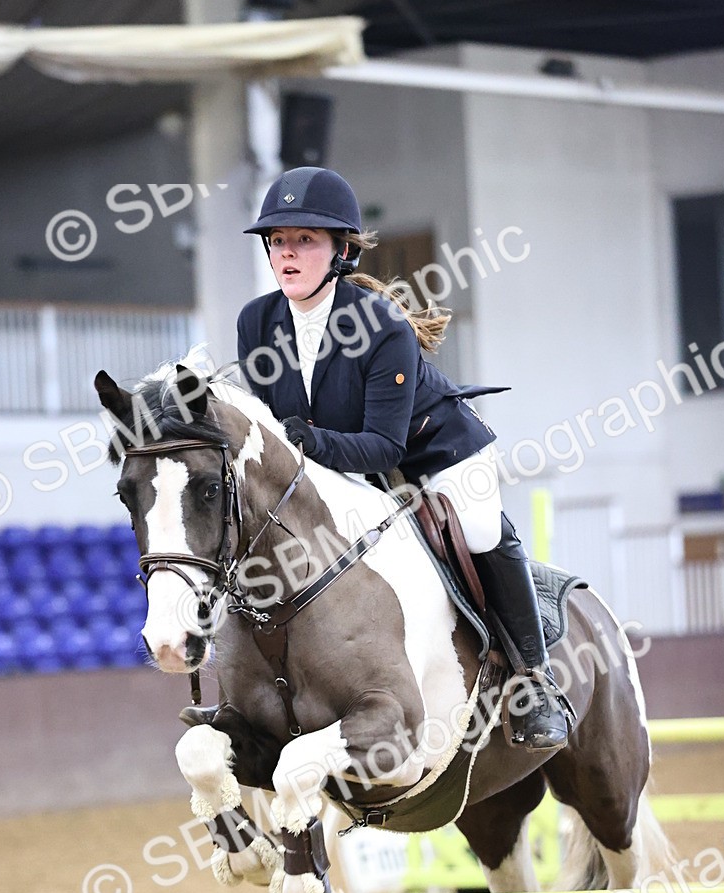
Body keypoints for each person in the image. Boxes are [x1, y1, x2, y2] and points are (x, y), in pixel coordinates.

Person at [237, 166, 569, 751]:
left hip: (432, 449)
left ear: (339, 250)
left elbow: (384, 447)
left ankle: (532, 679)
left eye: (304, 242)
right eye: (278, 242)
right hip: (342, 464)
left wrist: (304, 441)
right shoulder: (256, 323)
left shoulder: (382, 326)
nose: (287, 255)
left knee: (479, 528)